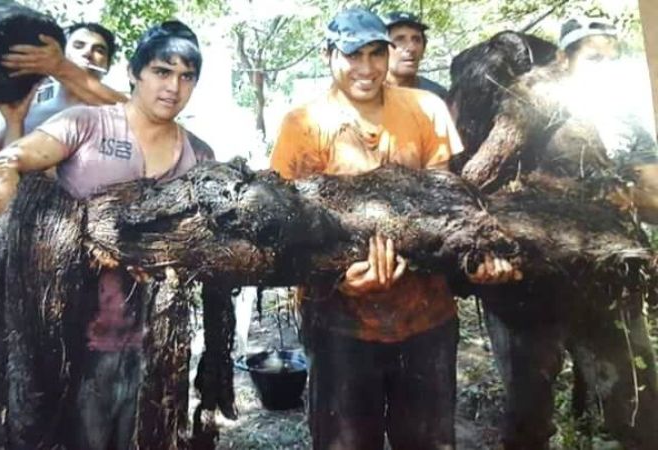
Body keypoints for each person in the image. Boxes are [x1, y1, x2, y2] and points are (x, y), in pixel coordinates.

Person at [269, 8, 516, 449]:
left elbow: (443, 209)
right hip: (338, 327)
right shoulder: (302, 125)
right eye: (352, 55)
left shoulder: (426, 109)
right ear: (329, 56)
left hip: (426, 320)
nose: (366, 69)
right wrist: (339, 279)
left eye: (375, 54)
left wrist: (480, 256)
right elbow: (288, 233)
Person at [0, 20, 213, 449]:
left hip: (153, 350)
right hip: (66, 346)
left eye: (186, 76)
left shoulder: (199, 156)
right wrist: (70, 243)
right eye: (162, 71)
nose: (173, 87)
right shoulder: (86, 124)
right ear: (135, 74)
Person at [479, 18, 658, 450]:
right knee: (529, 414)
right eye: (593, 59)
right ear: (563, 58)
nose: (604, 70)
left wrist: (626, 199)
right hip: (529, 287)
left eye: (611, 61)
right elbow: (481, 182)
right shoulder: (531, 104)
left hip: (606, 282)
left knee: (638, 406)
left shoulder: (626, 117)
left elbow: (652, 189)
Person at [0, 22, 124, 168]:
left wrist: (61, 67)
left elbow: (130, 109)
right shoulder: (30, 109)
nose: (87, 53)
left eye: (99, 50)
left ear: (107, 66)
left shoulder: (114, 113)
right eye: (78, 46)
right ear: (63, 53)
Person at [384, 11, 449, 99]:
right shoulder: (367, 94)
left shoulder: (436, 96)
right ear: (381, 50)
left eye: (416, 40)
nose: (411, 48)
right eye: (400, 40)